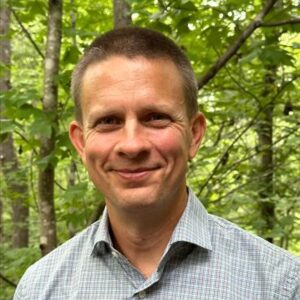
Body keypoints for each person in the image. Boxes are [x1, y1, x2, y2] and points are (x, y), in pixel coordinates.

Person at [14, 27, 299, 300]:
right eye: (108, 121)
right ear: (81, 143)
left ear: (194, 134)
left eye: (155, 117)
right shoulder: (39, 289)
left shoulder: (279, 286)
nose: (132, 144)